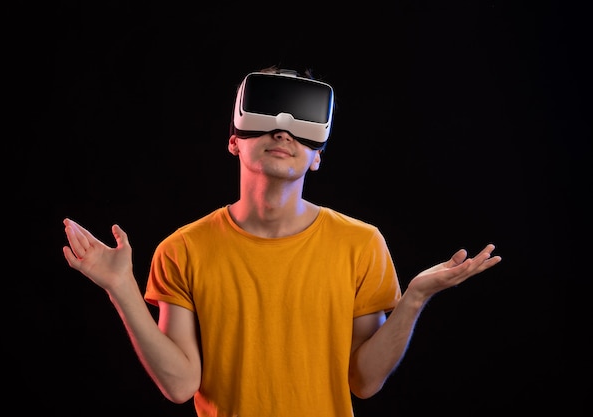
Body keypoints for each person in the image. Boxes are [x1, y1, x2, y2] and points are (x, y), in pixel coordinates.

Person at [62, 66, 502, 417]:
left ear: (316, 157)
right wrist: (121, 288)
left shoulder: (361, 244)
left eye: (301, 119)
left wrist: (414, 298)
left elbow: (364, 382)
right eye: (268, 112)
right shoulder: (183, 249)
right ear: (234, 141)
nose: (283, 129)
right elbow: (180, 386)